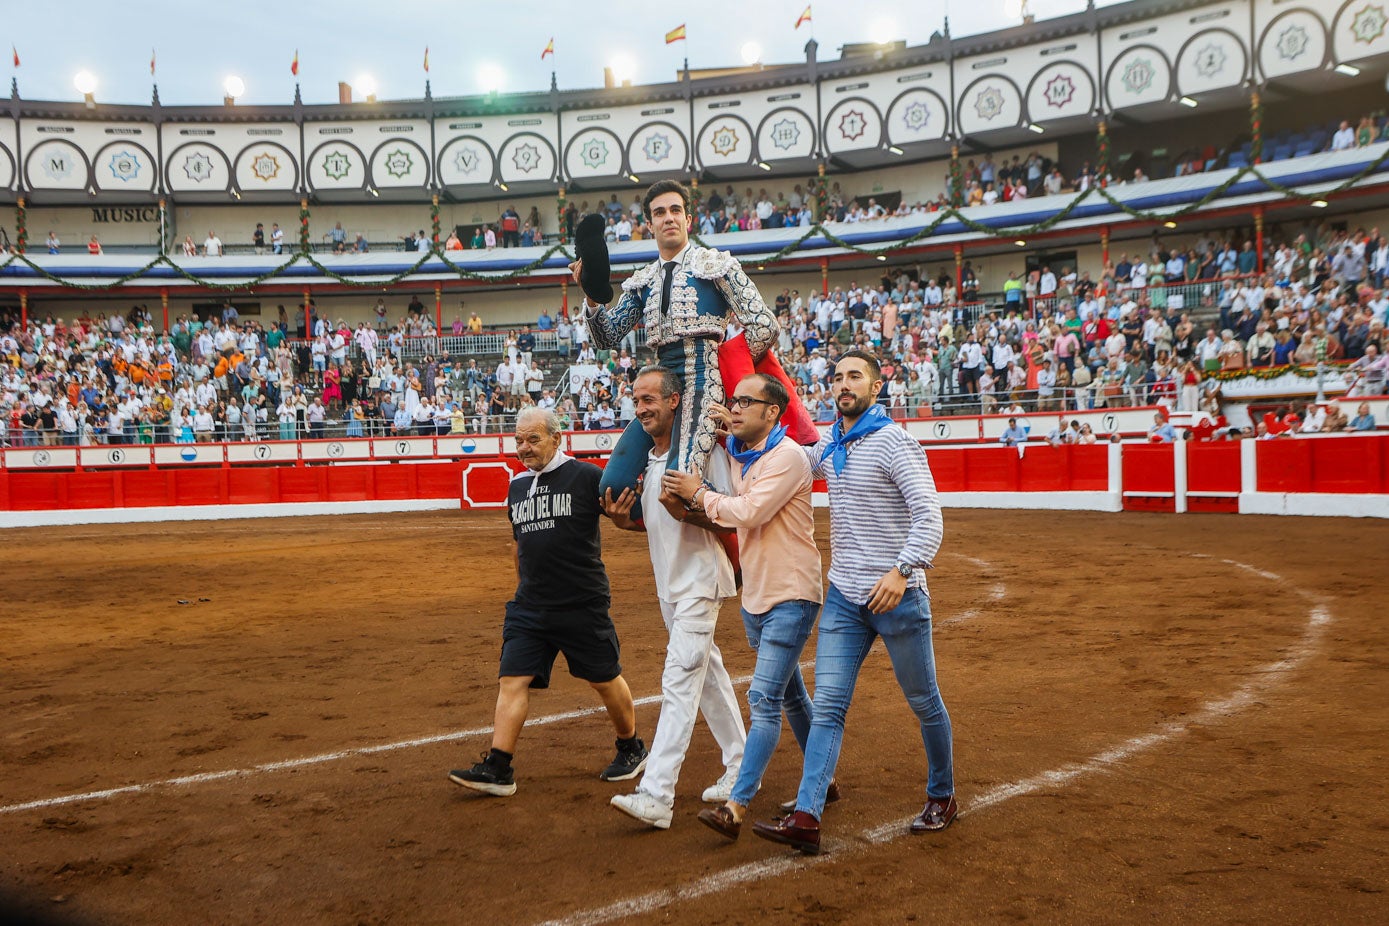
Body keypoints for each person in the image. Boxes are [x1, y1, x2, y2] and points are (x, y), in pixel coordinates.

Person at [752, 350, 954, 854]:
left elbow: (930, 519)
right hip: (844, 596)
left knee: (924, 701)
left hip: (897, 598)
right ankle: (806, 816)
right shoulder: (833, 444)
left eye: (855, 376)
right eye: (838, 376)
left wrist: (903, 571)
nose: (844, 384)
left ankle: (943, 795)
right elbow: (791, 435)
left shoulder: (895, 444)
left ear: (877, 387)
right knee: (829, 709)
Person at [450, 408, 649, 797]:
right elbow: (517, 544)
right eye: (519, 440)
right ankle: (498, 766)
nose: (524, 448)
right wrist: (523, 588)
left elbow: (630, 518)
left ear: (557, 439)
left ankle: (631, 746)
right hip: (531, 606)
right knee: (512, 679)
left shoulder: (587, 476)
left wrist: (629, 518)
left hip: (581, 601)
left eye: (533, 439)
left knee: (604, 679)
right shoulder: (518, 486)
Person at [661, 373, 826, 842]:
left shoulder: (788, 456)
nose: (734, 408)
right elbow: (736, 463)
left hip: (791, 594)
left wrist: (696, 492)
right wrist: (724, 428)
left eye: (745, 402)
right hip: (758, 594)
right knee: (791, 694)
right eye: (732, 401)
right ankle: (825, 778)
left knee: (765, 699)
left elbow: (747, 512)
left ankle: (737, 804)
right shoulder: (744, 451)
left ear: (773, 412)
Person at [572, 180, 779, 519]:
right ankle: (663, 528)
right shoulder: (643, 281)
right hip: (660, 387)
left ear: (688, 220)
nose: (668, 218)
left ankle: (733, 551)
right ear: (649, 224)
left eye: (675, 211)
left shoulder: (717, 266)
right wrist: (592, 296)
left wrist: (730, 373)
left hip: (704, 383)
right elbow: (606, 337)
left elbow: (764, 326)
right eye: (659, 213)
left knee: (679, 485)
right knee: (612, 486)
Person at [602, 366, 746, 830]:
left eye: (650, 400)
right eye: (636, 401)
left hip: (700, 582)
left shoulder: (703, 456)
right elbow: (658, 524)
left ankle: (657, 794)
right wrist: (627, 524)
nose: (642, 408)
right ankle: (742, 766)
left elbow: (732, 519)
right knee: (706, 678)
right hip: (672, 585)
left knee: (680, 682)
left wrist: (689, 510)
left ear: (675, 402)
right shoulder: (649, 462)